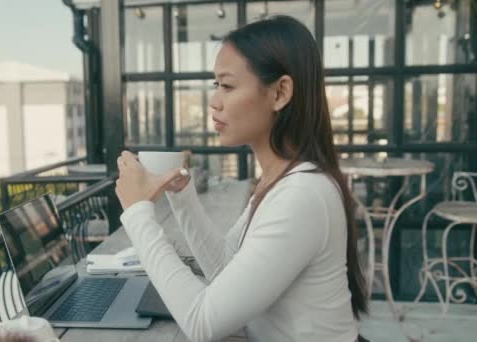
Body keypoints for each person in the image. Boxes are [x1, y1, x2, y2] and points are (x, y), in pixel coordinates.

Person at [115, 16, 368, 342]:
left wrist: (137, 213)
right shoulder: (281, 179)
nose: (214, 101)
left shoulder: (302, 194)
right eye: (215, 85)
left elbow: (202, 322)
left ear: (280, 93)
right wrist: (183, 195)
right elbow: (224, 269)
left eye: (228, 85)